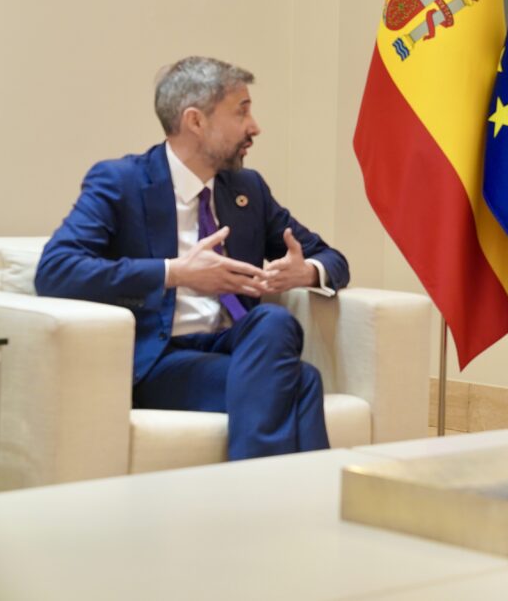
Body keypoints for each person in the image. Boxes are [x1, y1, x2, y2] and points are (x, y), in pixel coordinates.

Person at [36, 56, 349, 460]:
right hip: (161, 358)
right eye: (241, 111)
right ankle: (286, 489)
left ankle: (256, 486)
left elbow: (332, 258)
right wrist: (176, 273)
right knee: (302, 381)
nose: (255, 127)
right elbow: (56, 270)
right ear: (195, 121)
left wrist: (306, 272)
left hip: (235, 345)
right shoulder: (121, 182)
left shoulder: (247, 189)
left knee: (273, 320)